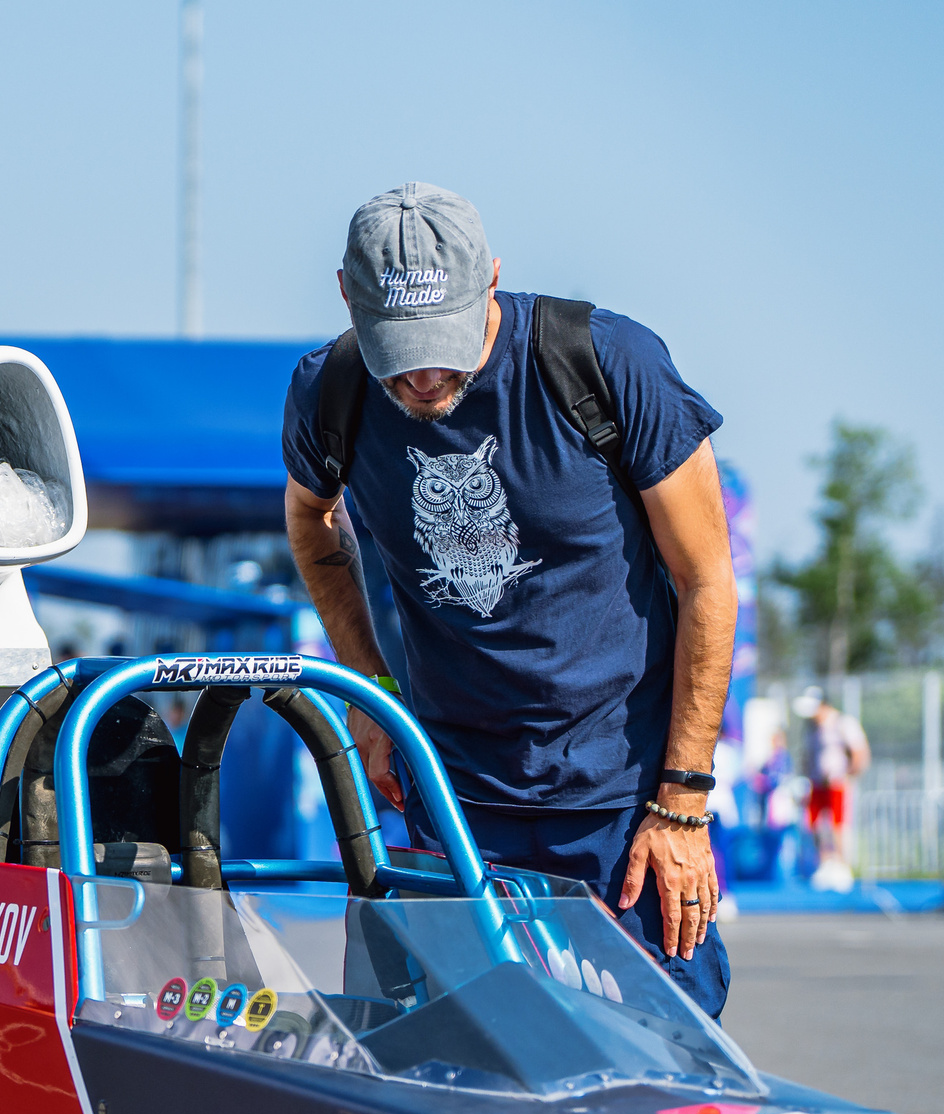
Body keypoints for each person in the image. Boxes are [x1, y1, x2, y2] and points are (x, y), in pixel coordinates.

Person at [283, 183, 737, 1016]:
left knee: (655, 1062)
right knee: (454, 1055)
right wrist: (370, 690)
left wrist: (682, 800)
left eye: (444, 342)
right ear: (348, 297)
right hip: (454, 801)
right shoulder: (331, 390)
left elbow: (706, 577)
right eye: (399, 348)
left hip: (620, 804)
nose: (424, 375)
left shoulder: (606, 364)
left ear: (492, 278)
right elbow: (311, 522)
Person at [794, 686, 870, 889]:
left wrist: (846, 775)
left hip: (837, 784)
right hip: (816, 784)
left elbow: (860, 753)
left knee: (838, 825)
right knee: (815, 824)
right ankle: (825, 864)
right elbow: (807, 756)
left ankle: (842, 867)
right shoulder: (811, 728)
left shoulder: (842, 723)